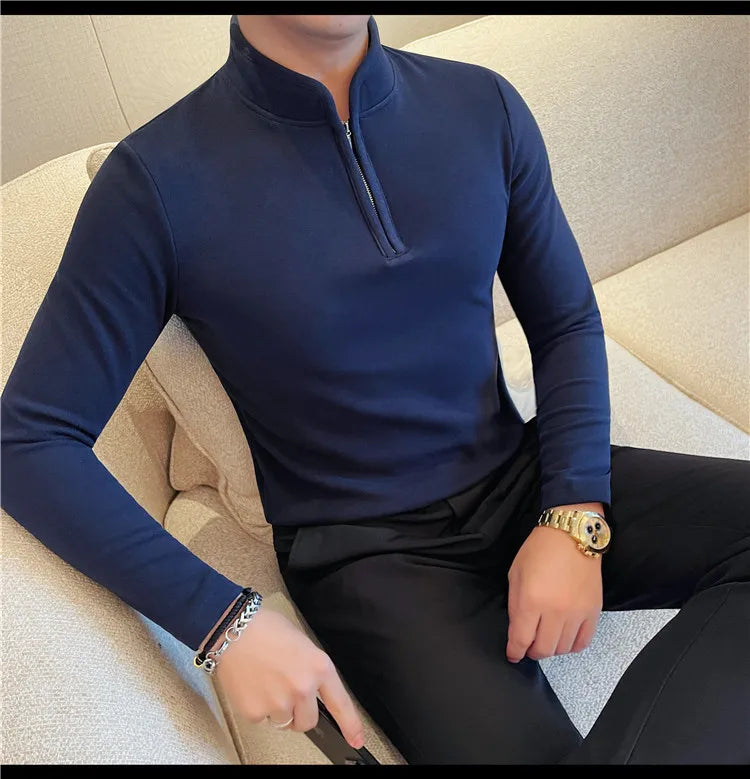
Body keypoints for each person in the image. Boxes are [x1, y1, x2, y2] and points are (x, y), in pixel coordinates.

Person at [1, 14, 748, 765]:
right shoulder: (155, 182)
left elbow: (566, 320)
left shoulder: (482, 106)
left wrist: (574, 511)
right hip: (370, 560)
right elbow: (27, 442)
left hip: (523, 478)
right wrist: (223, 622)